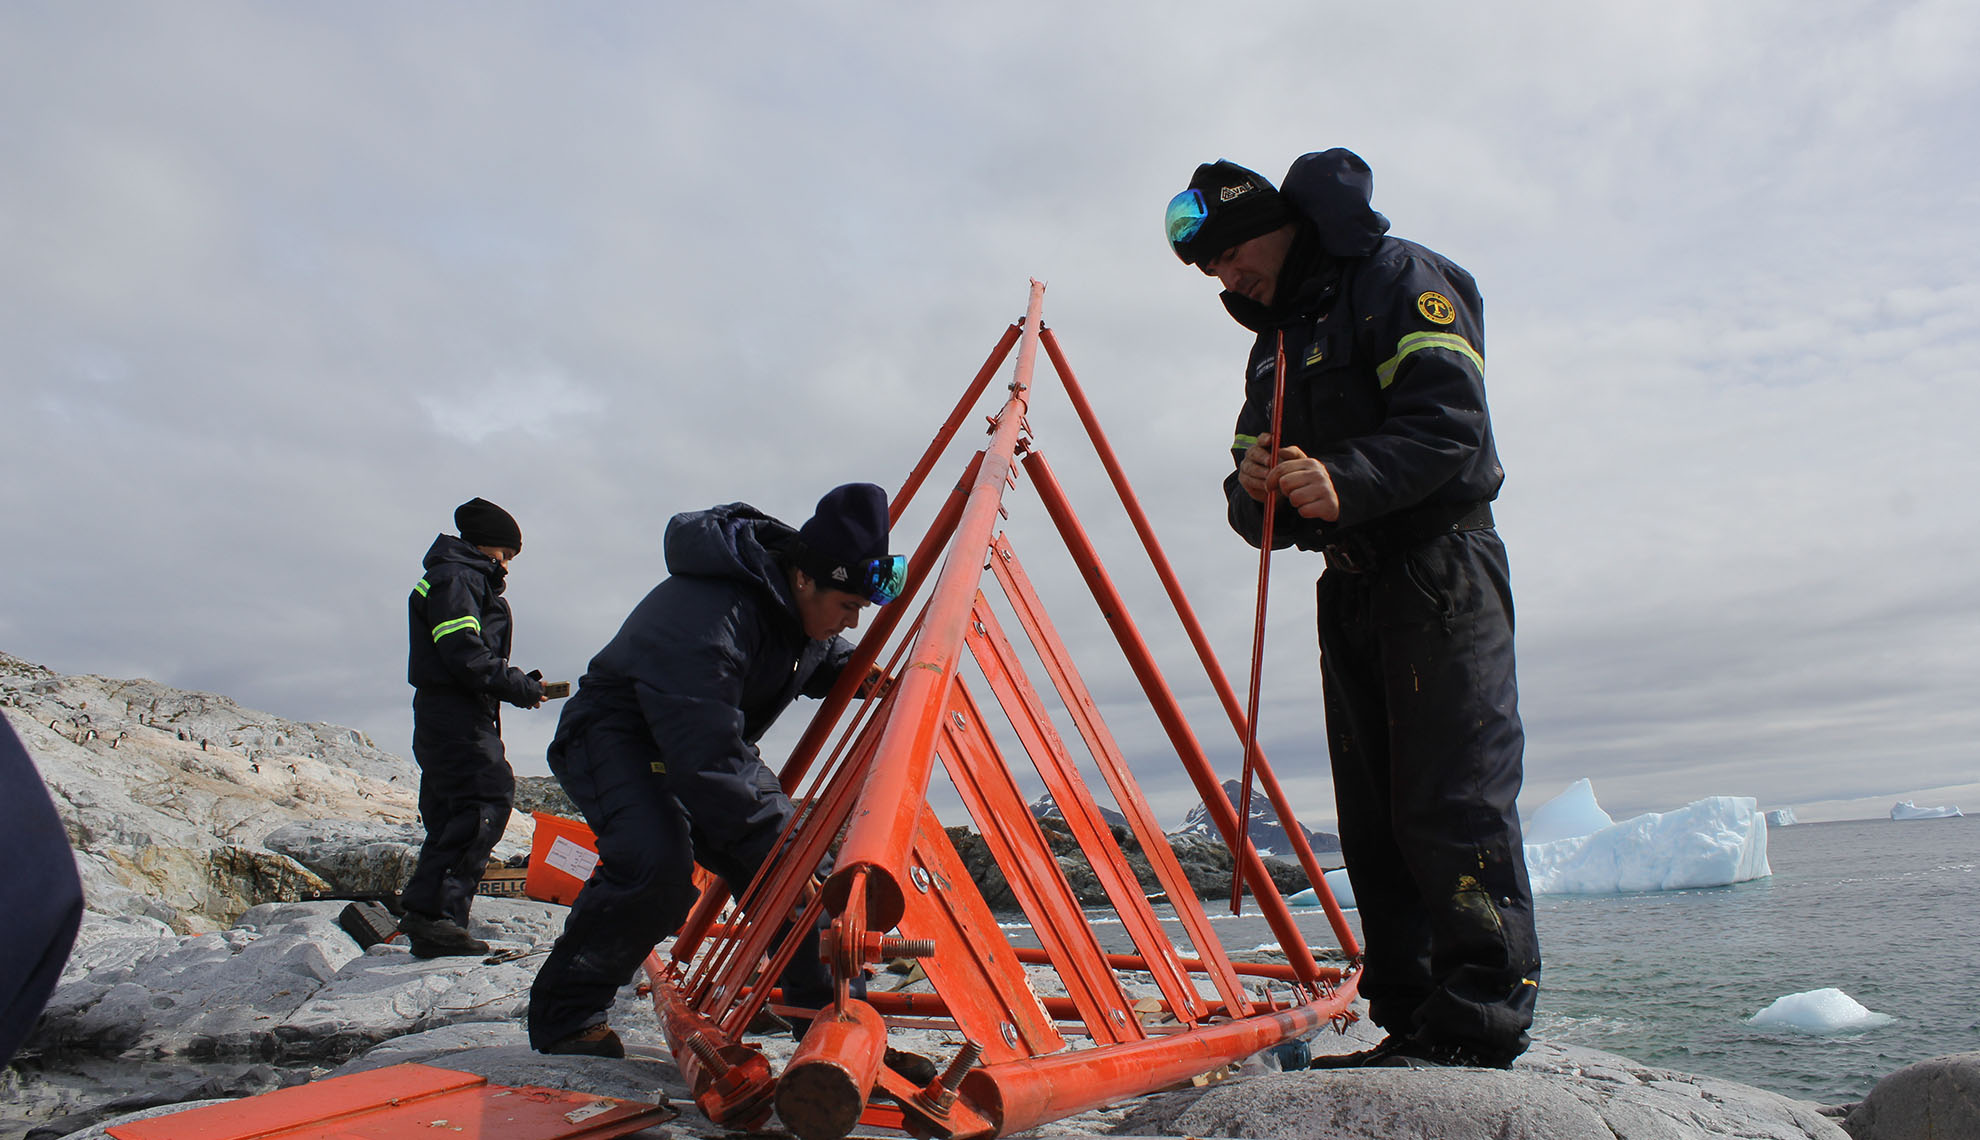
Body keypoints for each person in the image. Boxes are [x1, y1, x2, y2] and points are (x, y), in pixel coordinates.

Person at [1166, 149, 1541, 1069]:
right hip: (1354, 583)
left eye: (1228, 253)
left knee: (1452, 794)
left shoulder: (1402, 279)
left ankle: (1479, 1020)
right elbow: (1254, 498)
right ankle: (1412, 1018)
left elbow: (1452, 423)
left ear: (1275, 223)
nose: (1225, 275)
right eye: (1210, 267)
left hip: (1440, 569)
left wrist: (1347, 476)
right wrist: (1250, 487)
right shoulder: (1276, 339)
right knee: (1373, 812)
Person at [527, 482, 905, 1058]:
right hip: (615, 737)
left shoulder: (794, 605)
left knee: (800, 872)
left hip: (703, 741)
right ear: (805, 579)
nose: (851, 623)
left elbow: (815, 658)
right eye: (848, 608)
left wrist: (876, 680)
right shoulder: (711, 617)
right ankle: (567, 1016)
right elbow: (704, 760)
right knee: (657, 868)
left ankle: (830, 1034)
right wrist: (781, 846)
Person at [403, 497, 547, 958]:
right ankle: (436, 918)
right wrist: (515, 685)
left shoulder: (454, 575)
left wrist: (516, 683)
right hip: (457, 712)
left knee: (451, 810)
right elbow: (462, 650)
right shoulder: (459, 576)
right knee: (483, 797)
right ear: (486, 544)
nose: (506, 563)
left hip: (448, 710)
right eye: (505, 554)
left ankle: (434, 918)